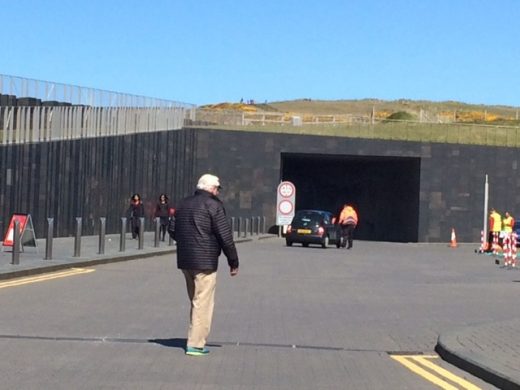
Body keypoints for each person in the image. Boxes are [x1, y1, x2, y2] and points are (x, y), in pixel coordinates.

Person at [172, 173, 239, 356]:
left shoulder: (183, 203)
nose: (218, 192)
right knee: (203, 303)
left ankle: (195, 338)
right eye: (217, 188)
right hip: (205, 261)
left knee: (195, 301)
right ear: (210, 188)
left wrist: (186, 242)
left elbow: (172, 228)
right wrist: (233, 261)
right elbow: (225, 236)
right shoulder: (214, 205)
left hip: (185, 261)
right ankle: (195, 344)